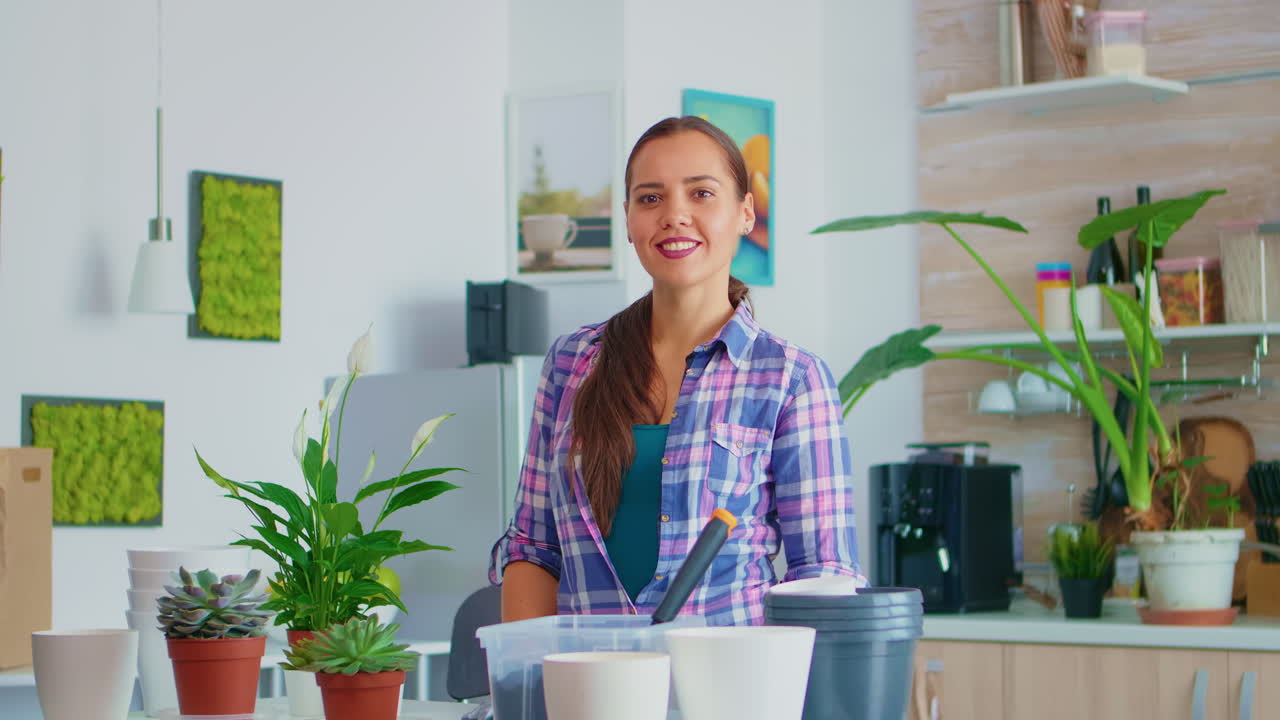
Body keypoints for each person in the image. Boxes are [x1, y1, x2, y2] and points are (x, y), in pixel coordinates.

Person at [489, 116, 862, 626]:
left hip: (727, 688)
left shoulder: (791, 379)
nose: (674, 216)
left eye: (702, 193)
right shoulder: (572, 362)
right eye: (650, 198)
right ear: (627, 219)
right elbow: (534, 549)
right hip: (586, 686)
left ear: (745, 213)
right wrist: (526, 686)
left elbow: (825, 575)